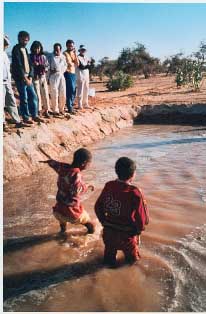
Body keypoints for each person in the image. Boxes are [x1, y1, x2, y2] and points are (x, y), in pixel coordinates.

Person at [95, 157, 149, 267]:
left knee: (108, 260)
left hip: (108, 233)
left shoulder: (109, 185)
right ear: (133, 174)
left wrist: (103, 222)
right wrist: (138, 231)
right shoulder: (135, 192)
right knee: (133, 260)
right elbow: (143, 219)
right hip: (126, 236)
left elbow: (97, 206)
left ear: (116, 171)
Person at [40, 148, 95, 234]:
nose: (89, 165)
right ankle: (89, 238)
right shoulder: (77, 174)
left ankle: (62, 232)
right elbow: (77, 191)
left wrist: (49, 161)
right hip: (73, 213)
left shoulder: (63, 167)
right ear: (84, 163)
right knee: (91, 225)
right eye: (89, 163)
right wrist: (87, 185)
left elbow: (54, 164)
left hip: (58, 211)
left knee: (62, 222)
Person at [12, 31, 44, 124]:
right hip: (21, 78)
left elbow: (30, 65)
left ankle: (34, 115)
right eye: (23, 40)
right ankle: (26, 117)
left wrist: (30, 76)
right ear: (19, 38)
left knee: (33, 96)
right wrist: (25, 78)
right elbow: (18, 65)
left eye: (26, 40)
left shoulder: (25, 50)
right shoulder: (16, 49)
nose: (25, 42)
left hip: (28, 78)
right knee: (24, 98)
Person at [3, 35, 28, 131]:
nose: (6, 45)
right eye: (5, 43)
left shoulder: (4, 54)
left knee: (12, 101)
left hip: (7, 81)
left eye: (6, 43)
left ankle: (17, 120)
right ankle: (3, 123)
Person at [30, 41, 51, 118]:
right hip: (35, 77)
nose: (37, 50)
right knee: (37, 94)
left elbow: (47, 66)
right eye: (35, 48)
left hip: (42, 77)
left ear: (40, 48)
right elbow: (29, 67)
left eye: (38, 48)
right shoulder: (30, 57)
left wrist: (42, 67)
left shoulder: (43, 57)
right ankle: (38, 110)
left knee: (45, 93)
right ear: (32, 48)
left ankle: (46, 110)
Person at [48, 43, 67, 116]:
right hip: (53, 76)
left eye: (58, 50)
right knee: (54, 93)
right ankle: (55, 110)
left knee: (63, 93)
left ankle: (61, 109)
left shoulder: (63, 56)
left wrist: (62, 71)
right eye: (55, 49)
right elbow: (47, 65)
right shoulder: (50, 56)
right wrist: (50, 72)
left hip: (61, 75)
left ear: (60, 50)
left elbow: (65, 65)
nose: (56, 51)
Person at [63, 39, 79, 114]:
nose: (70, 47)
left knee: (74, 90)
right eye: (69, 46)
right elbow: (69, 63)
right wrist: (73, 62)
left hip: (73, 73)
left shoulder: (73, 53)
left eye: (72, 46)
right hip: (67, 72)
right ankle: (69, 106)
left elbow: (77, 64)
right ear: (66, 46)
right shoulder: (65, 53)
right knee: (70, 90)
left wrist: (75, 54)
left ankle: (71, 104)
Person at [76, 45, 91, 109]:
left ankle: (85, 103)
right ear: (80, 50)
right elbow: (81, 66)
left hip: (86, 75)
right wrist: (87, 65)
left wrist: (87, 65)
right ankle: (80, 104)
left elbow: (90, 65)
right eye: (82, 50)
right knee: (80, 89)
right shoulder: (77, 57)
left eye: (84, 50)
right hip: (80, 75)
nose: (83, 51)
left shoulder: (87, 57)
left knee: (86, 89)